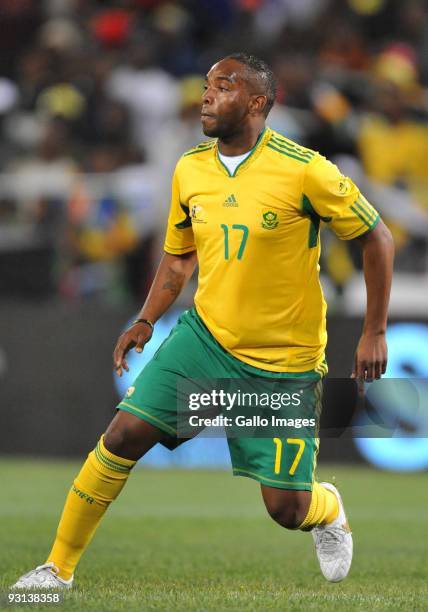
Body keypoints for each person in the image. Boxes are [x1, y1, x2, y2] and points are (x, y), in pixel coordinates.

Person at [13, 53, 394, 589]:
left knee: (286, 508)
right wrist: (146, 319)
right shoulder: (190, 168)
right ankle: (57, 569)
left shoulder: (304, 169)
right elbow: (178, 257)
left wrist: (374, 330)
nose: (207, 95)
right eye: (207, 85)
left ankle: (327, 507)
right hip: (207, 339)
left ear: (258, 102)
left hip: (281, 363)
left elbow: (377, 238)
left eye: (224, 85)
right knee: (122, 435)